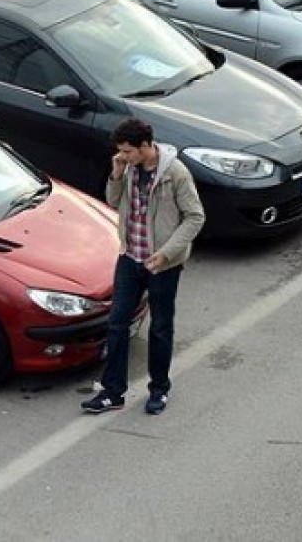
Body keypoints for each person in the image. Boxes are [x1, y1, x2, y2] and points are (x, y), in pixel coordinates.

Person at [81, 118, 204, 416]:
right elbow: (113, 202)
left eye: (127, 151)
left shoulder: (175, 173)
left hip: (162, 264)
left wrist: (167, 253)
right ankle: (113, 392)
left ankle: (159, 389)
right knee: (117, 324)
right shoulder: (128, 168)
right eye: (121, 151)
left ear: (146, 146)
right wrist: (116, 174)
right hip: (129, 258)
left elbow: (195, 217)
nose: (123, 155)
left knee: (160, 328)